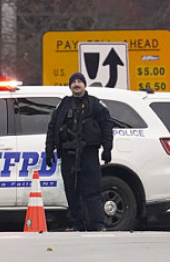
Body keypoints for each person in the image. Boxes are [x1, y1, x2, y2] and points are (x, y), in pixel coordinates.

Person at [45, 72, 113, 231]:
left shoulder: (95, 104)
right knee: (71, 191)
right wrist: (49, 150)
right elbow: (52, 127)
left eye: (79, 81)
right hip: (68, 153)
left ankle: (98, 224)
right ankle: (78, 224)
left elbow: (107, 125)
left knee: (92, 190)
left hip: (88, 153)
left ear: (84, 84)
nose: (76, 84)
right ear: (70, 86)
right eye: (73, 82)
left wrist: (107, 148)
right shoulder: (63, 105)